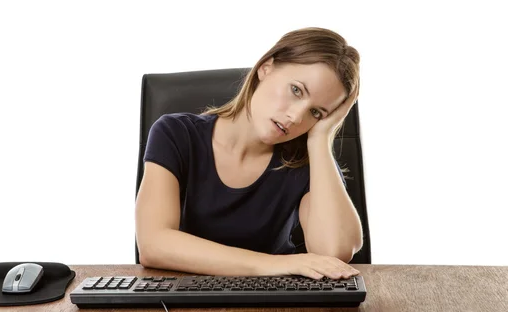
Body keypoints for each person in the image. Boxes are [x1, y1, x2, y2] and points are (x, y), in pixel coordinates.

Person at [135, 27, 362, 280]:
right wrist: (274, 264)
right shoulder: (176, 134)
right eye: (296, 90)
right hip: (185, 298)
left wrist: (320, 138)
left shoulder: (308, 162)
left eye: (316, 113)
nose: (296, 117)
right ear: (266, 67)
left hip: (276, 303)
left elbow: (333, 252)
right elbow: (154, 244)